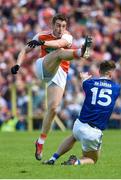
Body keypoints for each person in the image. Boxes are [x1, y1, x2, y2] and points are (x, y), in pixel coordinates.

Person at [11, 13, 92, 161]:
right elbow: (24, 50)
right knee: (59, 54)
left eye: (63, 26)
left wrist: (43, 44)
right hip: (43, 67)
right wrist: (18, 64)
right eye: (58, 25)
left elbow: (59, 44)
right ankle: (81, 52)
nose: (61, 29)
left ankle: (40, 142)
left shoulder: (67, 37)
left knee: (53, 109)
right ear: (52, 25)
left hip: (60, 73)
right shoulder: (42, 35)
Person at [43, 60, 121, 165]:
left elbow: (84, 82)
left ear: (99, 71)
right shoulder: (116, 88)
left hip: (79, 124)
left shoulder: (89, 83)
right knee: (92, 159)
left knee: (73, 137)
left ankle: (53, 158)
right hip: (93, 131)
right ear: (110, 73)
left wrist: (83, 77)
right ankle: (76, 162)